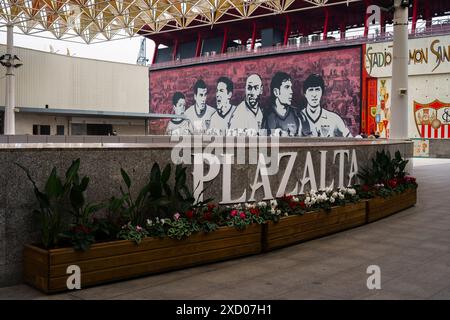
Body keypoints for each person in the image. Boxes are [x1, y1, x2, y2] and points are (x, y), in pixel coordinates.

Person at [262, 72, 301, 136]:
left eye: (291, 87)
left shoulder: (296, 113)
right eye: (287, 87)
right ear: (276, 92)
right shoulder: (267, 114)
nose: (291, 92)